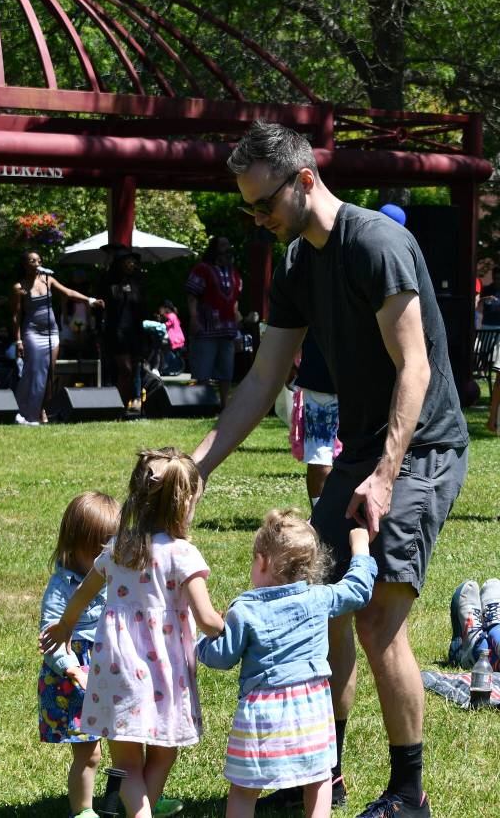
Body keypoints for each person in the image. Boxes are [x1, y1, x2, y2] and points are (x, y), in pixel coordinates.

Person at [191, 121, 468, 818]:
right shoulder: (295, 264)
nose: (258, 220)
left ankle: (409, 792)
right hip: (358, 451)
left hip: (421, 446)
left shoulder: (375, 243)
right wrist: (198, 466)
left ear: (304, 180)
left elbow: (417, 367)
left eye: (263, 205)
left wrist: (385, 474)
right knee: (317, 606)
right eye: (249, 208)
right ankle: (326, 769)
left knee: (375, 616)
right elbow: (262, 380)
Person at [40, 449, 225, 818]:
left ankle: (140, 811)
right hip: (164, 673)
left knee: (125, 763)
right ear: (184, 503)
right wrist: (227, 623)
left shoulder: (118, 550)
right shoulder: (183, 555)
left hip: (116, 668)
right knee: (164, 750)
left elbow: (79, 597)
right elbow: (206, 620)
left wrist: (63, 626)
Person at [197, 512, 377, 818]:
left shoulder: (245, 609)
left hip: (262, 714)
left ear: (263, 561)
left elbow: (223, 656)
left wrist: (199, 645)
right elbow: (358, 589)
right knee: (319, 778)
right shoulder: (319, 598)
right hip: (312, 709)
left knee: (244, 787)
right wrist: (360, 549)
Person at [38, 490, 121, 818]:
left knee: (127, 748)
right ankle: (83, 811)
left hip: (110, 671)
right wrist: (72, 669)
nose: (110, 555)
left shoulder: (115, 575)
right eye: (102, 549)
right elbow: (52, 639)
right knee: (90, 754)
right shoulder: (62, 588)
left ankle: (140, 798)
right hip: (75, 679)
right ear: (76, 546)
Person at [11, 250, 103, 425]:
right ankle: (26, 411)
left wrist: (89, 300)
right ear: (25, 265)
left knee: (49, 374)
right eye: (32, 261)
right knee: (34, 372)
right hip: (32, 332)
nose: (36, 263)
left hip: (51, 332)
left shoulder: (48, 280)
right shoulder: (19, 287)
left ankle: (42, 409)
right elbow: (15, 316)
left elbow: (68, 292)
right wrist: (18, 340)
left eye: (38, 260)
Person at [186, 236, 242, 408]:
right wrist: (194, 318)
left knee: (226, 371)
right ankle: (201, 404)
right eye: (223, 245)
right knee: (203, 369)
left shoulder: (234, 273)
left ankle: (224, 405)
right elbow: (192, 295)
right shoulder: (202, 269)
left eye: (228, 245)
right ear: (214, 249)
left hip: (227, 329)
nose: (228, 249)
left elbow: (235, 301)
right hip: (206, 327)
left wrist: (238, 325)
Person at [98, 247, 148, 408]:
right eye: (128, 261)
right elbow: (104, 305)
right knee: (124, 369)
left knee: (134, 370)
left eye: (134, 261)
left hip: (135, 330)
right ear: (120, 263)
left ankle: (131, 404)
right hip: (117, 330)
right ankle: (118, 405)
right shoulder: (109, 282)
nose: (132, 263)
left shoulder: (138, 282)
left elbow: (142, 307)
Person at [293, 334, 340, 502]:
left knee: (321, 451)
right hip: (324, 373)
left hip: (320, 370)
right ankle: (322, 518)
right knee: (321, 454)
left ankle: (321, 519)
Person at [158, 301, 185, 375]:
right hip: (177, 338)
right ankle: (170, 368)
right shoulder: (173, 315)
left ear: (166, 308)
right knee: (168, 352)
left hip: (175, 339)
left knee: (167, 352)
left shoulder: (171, 315)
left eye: (162, 308)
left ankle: (171, 368)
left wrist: (160, 323)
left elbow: (167, 324)